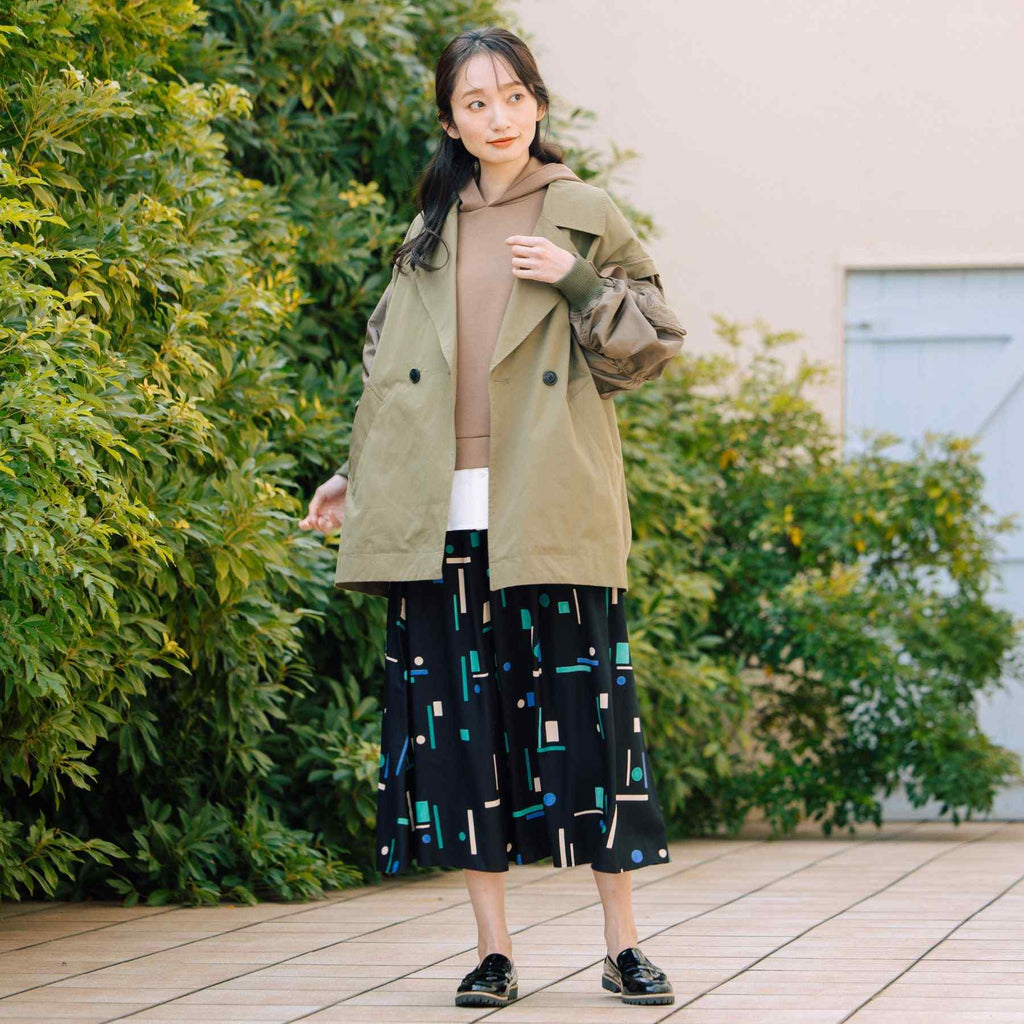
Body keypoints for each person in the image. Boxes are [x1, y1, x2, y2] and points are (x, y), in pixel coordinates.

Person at [300, 25, 686, 1010]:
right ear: (450, 122)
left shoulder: (584, 211)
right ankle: (493, 951)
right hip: (441, 525)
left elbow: (649, 348)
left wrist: (574, 276)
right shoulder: (428, 232)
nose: (498, 116)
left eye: (513, 96)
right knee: (460, 736)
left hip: (549, 511)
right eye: (476, 102)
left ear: (538, 105)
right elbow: (390, 374)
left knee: (591, 732)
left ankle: (623, 946)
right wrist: (356, 476)